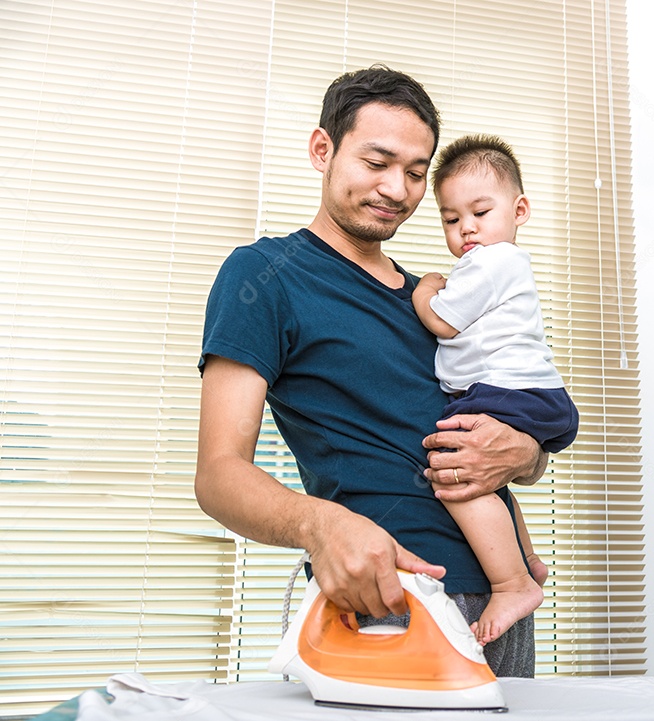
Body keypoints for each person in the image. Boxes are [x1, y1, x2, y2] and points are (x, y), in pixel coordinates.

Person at [193, 66, 547, 677]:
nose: (396, 189)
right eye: (376, 162)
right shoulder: (265, 276)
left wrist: (524, 453)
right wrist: (320, 525)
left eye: (415, 173)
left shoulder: (439, 304)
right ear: (321, 149)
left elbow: (511, 433)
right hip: (386, 599)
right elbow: (219, 474)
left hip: (503, 600)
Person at [411, 135, 578, 645]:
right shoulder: (497, 265)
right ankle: (526, 560)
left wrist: (425, 289)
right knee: (491, 478)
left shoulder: (492, 261)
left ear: (519, 209)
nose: (466, 229)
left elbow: (442, 322)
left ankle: (511, 584)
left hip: (508, 389)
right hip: (528, 393)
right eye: (451, 218)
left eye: (480, 211)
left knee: (458, 477)